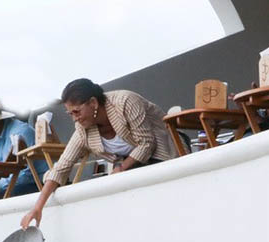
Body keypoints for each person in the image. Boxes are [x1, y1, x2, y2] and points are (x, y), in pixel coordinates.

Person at [21, 78, 178, 229]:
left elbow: (146, 143)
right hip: (134, 169)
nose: (75, 119)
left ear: (93, 103)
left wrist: (121, 168)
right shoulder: (83, 131)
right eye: (70, 114)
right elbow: (61, 168)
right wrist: (37, 208)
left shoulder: (125, 102)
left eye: (77, 112)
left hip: (166, 155)